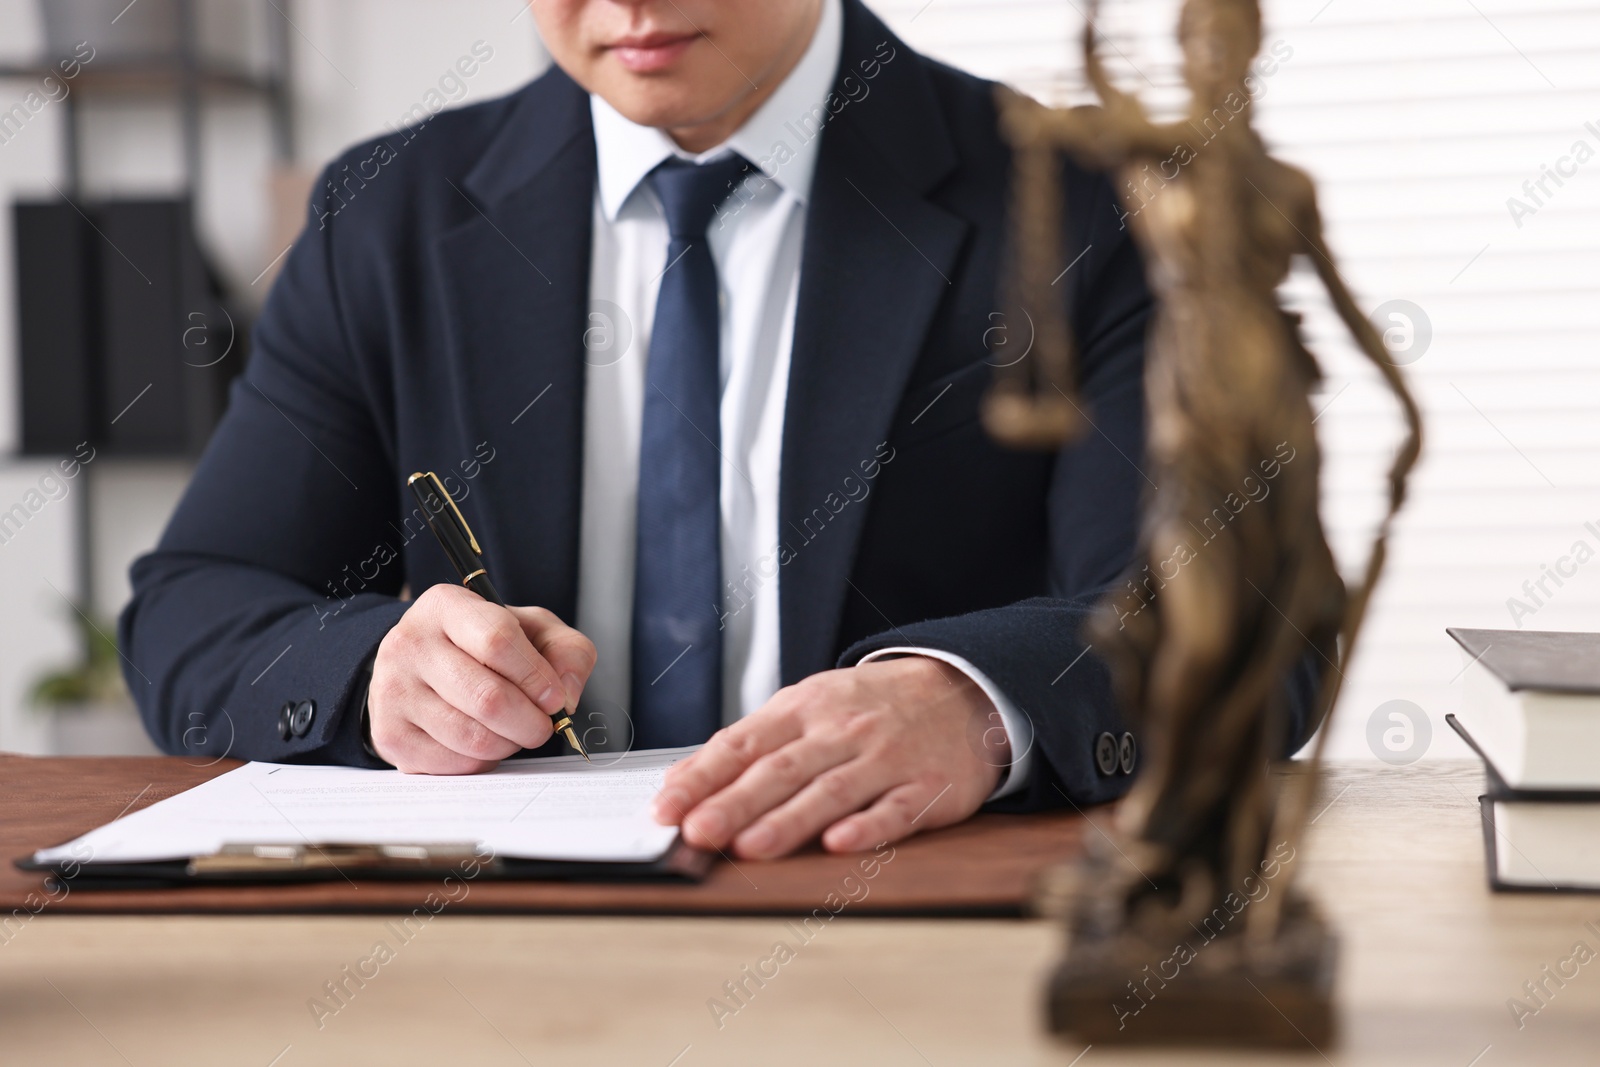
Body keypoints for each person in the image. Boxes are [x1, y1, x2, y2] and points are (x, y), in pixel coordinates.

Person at [121, 0, 1289, 862]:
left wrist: (977, 703)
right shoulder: (384, 215)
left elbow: (1239, 616)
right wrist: (373, 668)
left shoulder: (1081, 199)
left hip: (913, 919)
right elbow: (196, 606)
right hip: (494, 945)